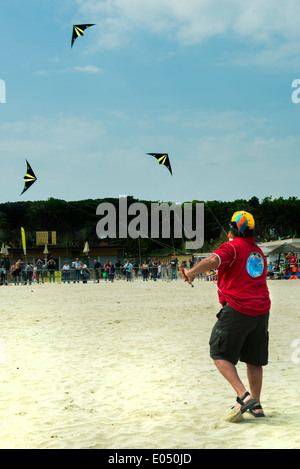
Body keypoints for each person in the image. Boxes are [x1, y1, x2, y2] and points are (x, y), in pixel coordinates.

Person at [184, 211, 271, 420]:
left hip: (239, 308)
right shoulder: (258, 252)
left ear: (233, 228)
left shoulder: (231, 246)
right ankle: (256, 405)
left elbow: (214, 260)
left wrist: (192, 272)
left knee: (218, 352)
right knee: (254, 359)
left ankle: (243, 395)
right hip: (262, 311)